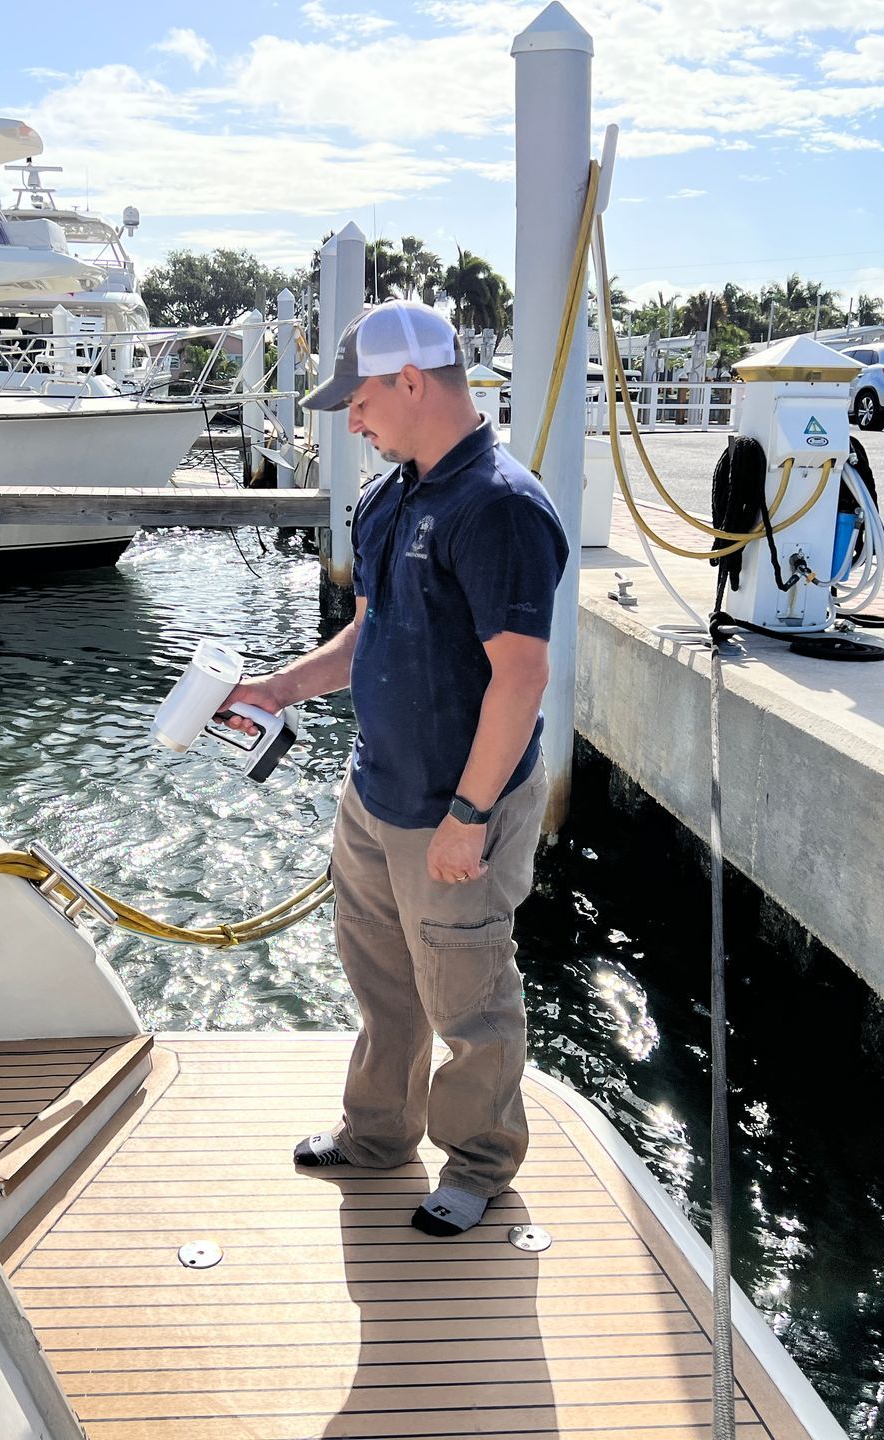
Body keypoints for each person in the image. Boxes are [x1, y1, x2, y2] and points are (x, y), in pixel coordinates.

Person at [225, 301, 568, 1236]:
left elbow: (521, 676)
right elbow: (369, 634)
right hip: (375, 792)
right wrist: (278, 688)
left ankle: (479, 1163)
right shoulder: (392, 496)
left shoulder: (500, 508)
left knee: (469, 999)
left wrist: (469, 816)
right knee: (382, 982)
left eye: (360, 399)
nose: (352, 420)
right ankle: (378, 1134)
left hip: (455, 809)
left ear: (410, 381)